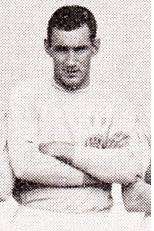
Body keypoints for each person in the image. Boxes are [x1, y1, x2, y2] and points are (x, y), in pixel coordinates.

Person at [8, 5, 150, 217]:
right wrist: (100, 171)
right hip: (35, 217)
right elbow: (24, 166)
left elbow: (131, 166)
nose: (71, 62)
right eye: (62, 49)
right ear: (47, 47)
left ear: (95, 47)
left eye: (80, 49)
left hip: (98, 219)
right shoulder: (26, 95)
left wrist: (67, 151)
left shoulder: (115, 102)